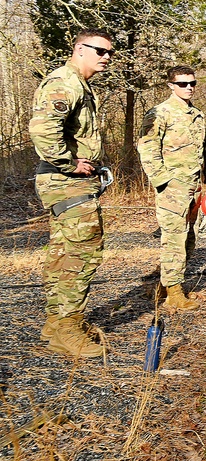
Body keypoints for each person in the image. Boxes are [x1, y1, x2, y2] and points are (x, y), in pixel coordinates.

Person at [29, 29, 114, 358]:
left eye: (109, 53)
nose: (106, 57)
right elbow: (42, 130)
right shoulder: (65, 82)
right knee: (83, 252)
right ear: (79, 49)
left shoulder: (79, 84)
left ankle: (56, 325)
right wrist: (69, 163)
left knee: (63, 253)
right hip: (65, 179)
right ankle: (67, 328)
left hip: (65, 180)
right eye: (99, 50)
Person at [137, 65, 206, 312]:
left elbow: (204, 151)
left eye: (192, 83)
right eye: (182, 84)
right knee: (174, 238)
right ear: (171, 85)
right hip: (173, 188)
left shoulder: (197, 115)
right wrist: (164, 183)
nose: (189, 88)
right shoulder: (159, 113)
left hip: (194, 187)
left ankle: (165, 285)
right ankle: (174, 293)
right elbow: (147, 149)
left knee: (189, 237)